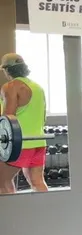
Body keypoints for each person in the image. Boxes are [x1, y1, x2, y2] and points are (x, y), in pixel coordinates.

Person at [0, 54, 49, 194]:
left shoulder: (11, 87)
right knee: (37, 181)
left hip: (18, 144)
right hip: (38, 142)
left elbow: (8, 120)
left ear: (7, 70)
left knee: (2, 181)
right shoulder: (37, 87)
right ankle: (49, 208)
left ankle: (11, 209)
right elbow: (43, 118)